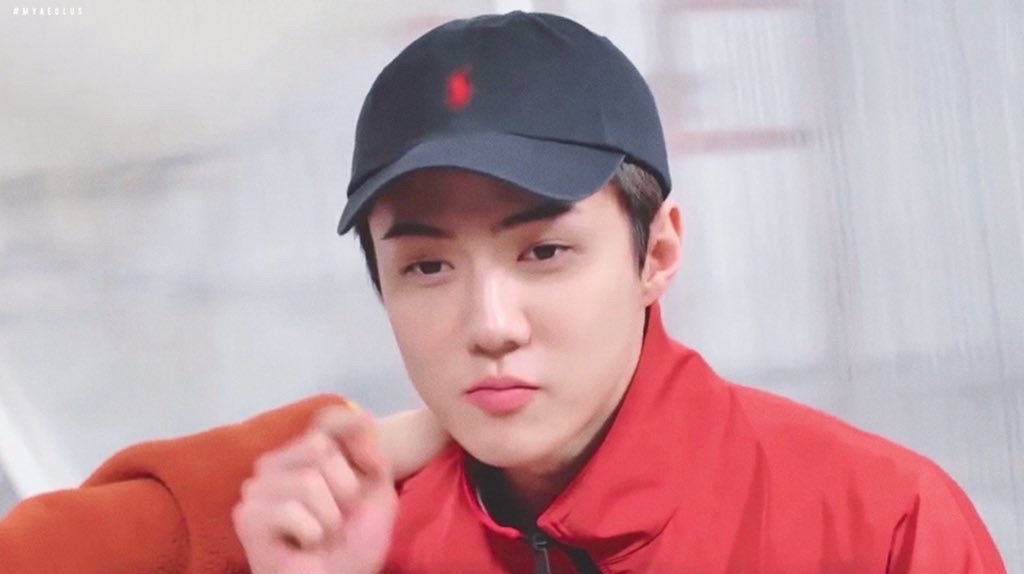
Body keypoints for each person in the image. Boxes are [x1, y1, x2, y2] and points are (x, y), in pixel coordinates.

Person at [1, 11, 1008, 574]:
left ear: (657, 251)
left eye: (545, 252)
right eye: (428, 267)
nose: (488, 326)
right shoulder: (349, 539)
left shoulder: (879, 526)